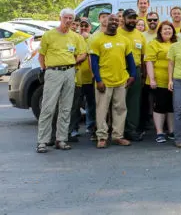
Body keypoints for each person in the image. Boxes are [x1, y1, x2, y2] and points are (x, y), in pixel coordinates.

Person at [36, 9, 87, 153]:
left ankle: (61, 139)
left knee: (66, 108)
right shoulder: (49, 35)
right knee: (48, 107)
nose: (69, 20)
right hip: (53, 72)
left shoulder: (76, 37)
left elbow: (83, 53)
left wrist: (71, 62)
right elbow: (41, 56)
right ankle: (42, 141)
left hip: (70, 72)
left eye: (71, 18)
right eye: (66, 17)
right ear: (60, 18)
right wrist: (46, 69)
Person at [90, 14, 137, 149]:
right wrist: (98, 80)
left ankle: (118, 136)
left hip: (121, 80)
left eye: (116, 20)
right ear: (105, 22)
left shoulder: (124, 40)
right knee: (102, 110)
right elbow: (94, 62)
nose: (114, 22)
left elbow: (130, 60)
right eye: (112, 20)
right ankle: (102, 137)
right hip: (104, 81)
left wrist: (132, 75)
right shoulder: (97, 39)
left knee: (120, 109)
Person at [118, 9, 147, 141]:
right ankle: (118, 130)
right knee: (119, 101)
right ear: (123, 18)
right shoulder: (117, 32)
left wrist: (143, 74)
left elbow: (142, 56)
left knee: (134, 102)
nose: (132, 21)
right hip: (120, 70)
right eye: (130, 18)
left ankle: (131, 129)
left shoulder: (139, 35)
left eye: (134, 18)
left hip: (136, 70)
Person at [145, 21, 176, 143]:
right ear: (160, 31)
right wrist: (152, 79)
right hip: (158, 80)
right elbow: (149, 62)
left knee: (171, 106)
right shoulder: (154, 43)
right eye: (165, 29)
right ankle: (159, 132)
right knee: (160, 106)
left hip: (174, 81)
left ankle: (172, 131)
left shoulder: (176, 44)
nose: (167, 31)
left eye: (169, 29)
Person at [73, 18, 95, 141]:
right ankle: (74, 128)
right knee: (76, 104)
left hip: (90, 77)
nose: (83, 28)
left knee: (91, 104)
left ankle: (90, 126)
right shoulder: (75, 38)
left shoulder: (93, 38)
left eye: (86, 26)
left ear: (90, 27)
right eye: (81, 26)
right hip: (78, 77)